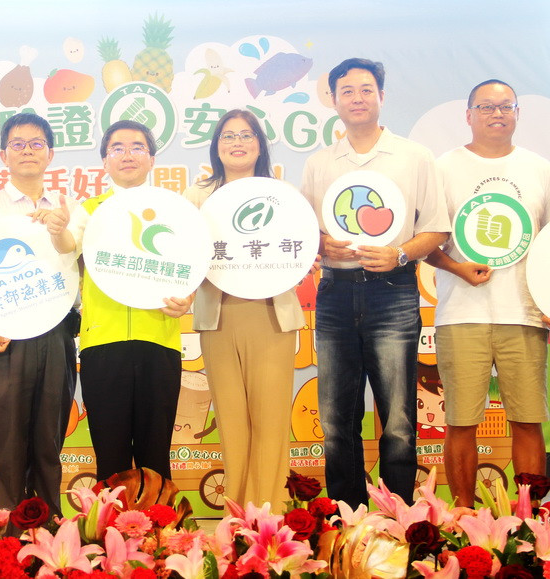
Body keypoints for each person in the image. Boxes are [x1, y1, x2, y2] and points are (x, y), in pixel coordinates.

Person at [301, 58, 449, 508]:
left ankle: (397, 517)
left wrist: (399, 253)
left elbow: (437, 228)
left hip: (394, 292)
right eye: (347, 91)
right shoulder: (320, 163)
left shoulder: (414, 156)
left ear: (382, 96)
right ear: (334, 100)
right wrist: (322, 243)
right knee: (335, 420)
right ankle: (346, 518)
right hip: (335, 294)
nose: (358, 98)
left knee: (399, 420)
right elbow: (306, 233)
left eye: (367, 89)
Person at [425, 80, 550, 507]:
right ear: (468, 115)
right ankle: (463, 515)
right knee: (461, 422)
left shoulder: (539, 168)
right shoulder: (444, 168)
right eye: (486, 107)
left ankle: (529, 518)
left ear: (517, 113)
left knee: (528, 420)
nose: (497, 114)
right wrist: (457, 267)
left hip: (525, 314)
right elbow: (426, 241)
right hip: (461, 313)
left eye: (505, 106)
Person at [183, 109, 307, 511]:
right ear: (216, 147)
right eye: (228, 136)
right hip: (219, 317)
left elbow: (300, 248)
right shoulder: (197, 196)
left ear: (259, 145)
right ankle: (236, 515)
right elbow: (185, 256)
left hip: (271, 316)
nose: (237, 143)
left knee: (271, 421)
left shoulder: (282, 195)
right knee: (232, 421)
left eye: (246, 135)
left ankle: (270, 513)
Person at [0, 112, 83, 517]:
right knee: (8, 443)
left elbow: (80, 264)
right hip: (3, 337)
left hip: (56, 334)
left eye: (36, 144)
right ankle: (10, 532)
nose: (28, 151)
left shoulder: (69, 208)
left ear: (50, 154)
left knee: (49, 442)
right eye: (18, 144)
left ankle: (48, 525)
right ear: (4, 155)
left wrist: (60, 228)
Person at [80, 120, 192, 482]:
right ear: (104, 161)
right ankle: (109, 522)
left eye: (137, 147)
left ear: (152, 159)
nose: (127, 155)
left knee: (155, 458)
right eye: (117, 148)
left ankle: (157, 522)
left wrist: (187, 297)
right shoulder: (86, 212)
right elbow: (64, 255)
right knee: (110, 459)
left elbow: (191, 265)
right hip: (102, 342)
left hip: (159, 340)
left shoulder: (173, 210)